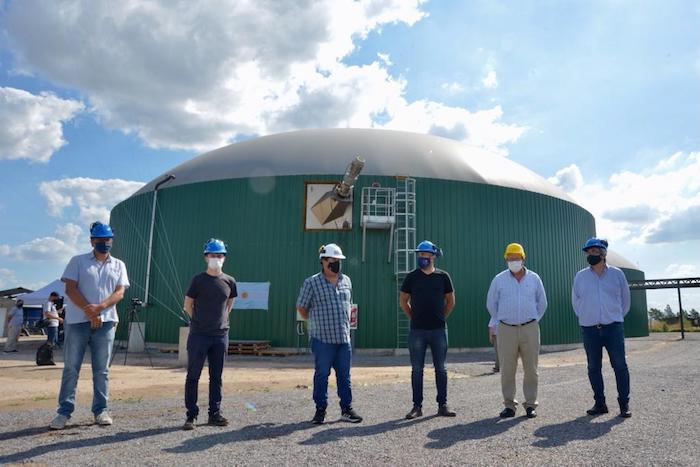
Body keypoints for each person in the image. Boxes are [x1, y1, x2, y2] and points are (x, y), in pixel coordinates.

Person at [49, 222, 129, 430]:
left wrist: (100, 308)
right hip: (77, 322)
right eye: (100, 240)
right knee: (71, 368)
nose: (104, 243)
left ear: (112, 240)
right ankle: (63, 412)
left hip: (106, 322)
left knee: (101, 370)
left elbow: (119, 292)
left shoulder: (118, 265)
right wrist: (89, 310)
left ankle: (101, 410)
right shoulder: (78, 261)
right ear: (92, 241)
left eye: (108, 240)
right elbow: (71, 289)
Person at [296, 243, 362, 425]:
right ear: (323, 261)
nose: (337, 264)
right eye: (333, 260)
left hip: (343, 339)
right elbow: (301, 307)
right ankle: (320, 410)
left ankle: (346, 410)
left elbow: (348, 305)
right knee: (321, 375)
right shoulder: (312, 282)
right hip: (322, 340)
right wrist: (315, 327)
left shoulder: (346, 281)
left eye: (339, 261)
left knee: (344, 376)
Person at [572, 237, 632, 418]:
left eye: (595, 251)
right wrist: (586, 317)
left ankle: (624, 404)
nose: (592, 255)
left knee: (620, 366)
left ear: (604, 253)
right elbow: (576, 301)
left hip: (613, 328)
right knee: (593, 367)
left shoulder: (617, 274)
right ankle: (600, 404)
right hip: (590, 329)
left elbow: (625, 300)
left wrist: (615, 317)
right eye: (589, 252)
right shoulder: (580, 276)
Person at [486, 243, 547, 419]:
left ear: (523, 258)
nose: (514, 261)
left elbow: (542, 303)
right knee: (507, 369)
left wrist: (533, 319)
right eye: (510, 258)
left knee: (531, 368)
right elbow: (491, 303)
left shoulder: (534, 278)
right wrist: (500, 320)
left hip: (530, 328)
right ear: (506, 259)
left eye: (517, 258)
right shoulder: (499, 279)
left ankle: (530, 404)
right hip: (506, 329)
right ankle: (509, 405)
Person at [182, 238, 237, 431]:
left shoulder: (229, 281)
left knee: (216, 376)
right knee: (193, 375)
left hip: (220, 335)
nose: (216, 258)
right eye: (212, 255)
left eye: (220, 255)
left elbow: (230, 303)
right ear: (206, 257)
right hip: (199, 335)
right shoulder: (198, 280)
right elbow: (187, 304)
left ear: (225, 258)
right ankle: (191, 415)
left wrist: (221, 320)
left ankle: (215, 413)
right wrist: (196, 320)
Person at [400, 240, 456, 420]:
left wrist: (441, 318)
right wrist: (413, 317)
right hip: (417, 331)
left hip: (439, 330)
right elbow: (403, 301)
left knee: (441, 368)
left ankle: (443, 405)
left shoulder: (443, 276)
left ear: (433, 256)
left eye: (424, 254)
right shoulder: (412, 277)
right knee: (417, 369)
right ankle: (417, 407)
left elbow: (450, 301)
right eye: (419, 254)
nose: (421, 257)